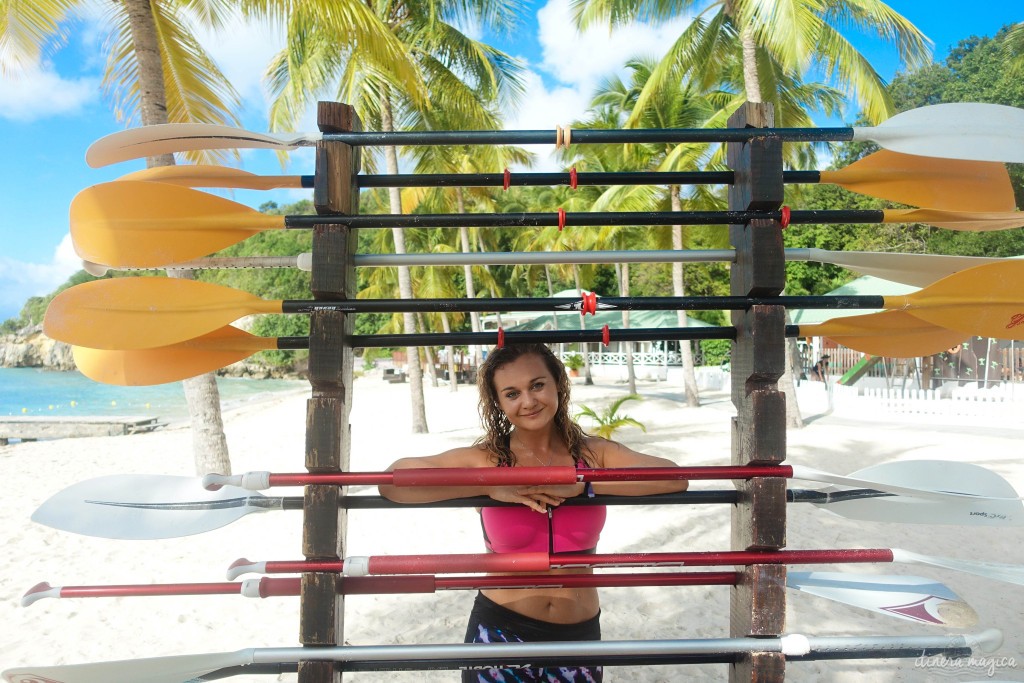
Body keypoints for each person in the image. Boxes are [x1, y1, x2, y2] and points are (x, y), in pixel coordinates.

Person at [379, 343, 689, 682]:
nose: (528, 401)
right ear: (498, 402)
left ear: (558, 383)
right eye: (512, 393)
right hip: (498, 634)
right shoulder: (487, 460)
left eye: (537, 385)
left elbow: (674, 478)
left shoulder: (594, 454)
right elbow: (394, 483)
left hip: (577, 640)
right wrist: (490, 485)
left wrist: (584, 482)